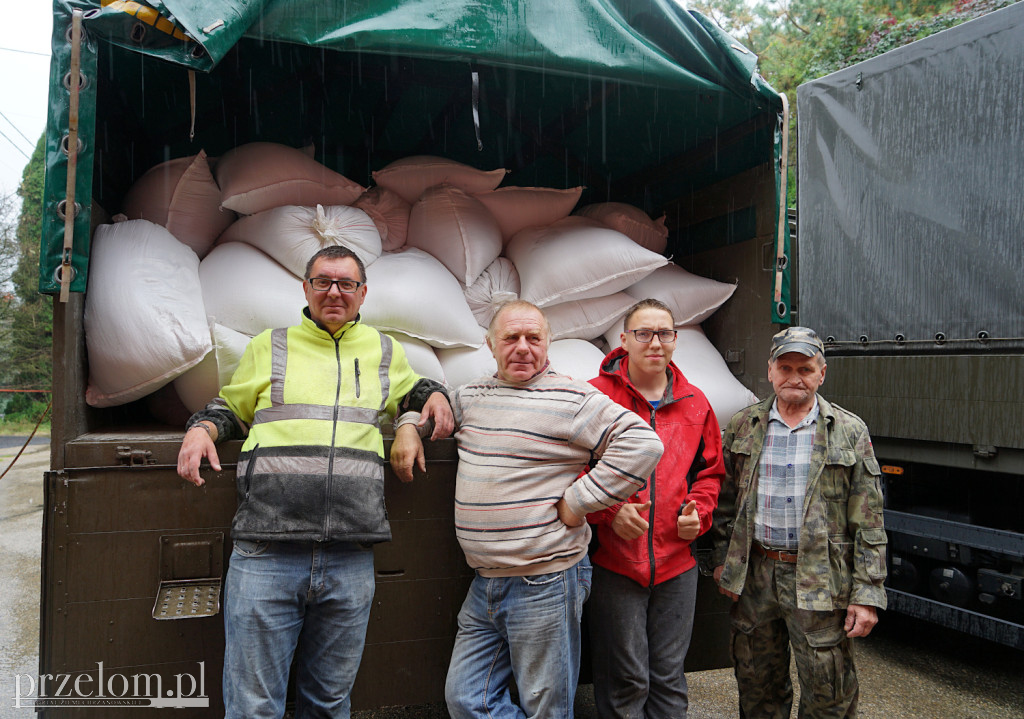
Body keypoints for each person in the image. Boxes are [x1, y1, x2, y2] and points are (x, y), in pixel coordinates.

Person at [176, 245, 454, 719]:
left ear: (363, 293)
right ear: (305, 288)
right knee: (252, 707)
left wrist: (412, 419)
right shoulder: (271, 343)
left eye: (346, 283)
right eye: (323, 281)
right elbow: (232, 406)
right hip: (268, 550)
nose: (334, 292)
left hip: (349, 554)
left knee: (328, 704)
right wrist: (201, 428)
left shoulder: (384, 350)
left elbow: (417, 391)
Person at [392, 299, 664, 719]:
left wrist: (579, 503)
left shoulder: (572, 397)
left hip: (546, 580)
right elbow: (435, 412)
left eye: (533, 338)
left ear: (548, 343)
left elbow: (643, 443)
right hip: (486, 583)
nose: (523, 347)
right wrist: (408, 424)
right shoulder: (473, 396)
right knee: (467, 700)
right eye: (511, 338)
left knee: (547, 709)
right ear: (490, 345)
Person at [710, 326, 887, 718]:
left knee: (829, 693)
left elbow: (869, 521)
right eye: (785, 367)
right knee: (757, 687)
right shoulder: (743, 426)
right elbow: (724, 503)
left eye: (805, 369)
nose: (795, 378)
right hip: (755, 576)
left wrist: (867, 593)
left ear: (821, 373)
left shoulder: (848, 431)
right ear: (770, 370)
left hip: (821, 579)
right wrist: (724, 560)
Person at [586, 298, 724, 719]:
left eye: (664, 333)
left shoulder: (696, 402)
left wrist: (698, 514)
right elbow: (570, 471)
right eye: (643, 333)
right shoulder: (593, 398)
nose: (655, 342)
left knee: (668, 676)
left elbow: (710, 474)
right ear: (624, 340)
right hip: (616, 563)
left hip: (675, 565)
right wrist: (609, 513)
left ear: (677, 340)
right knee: (625, 678)